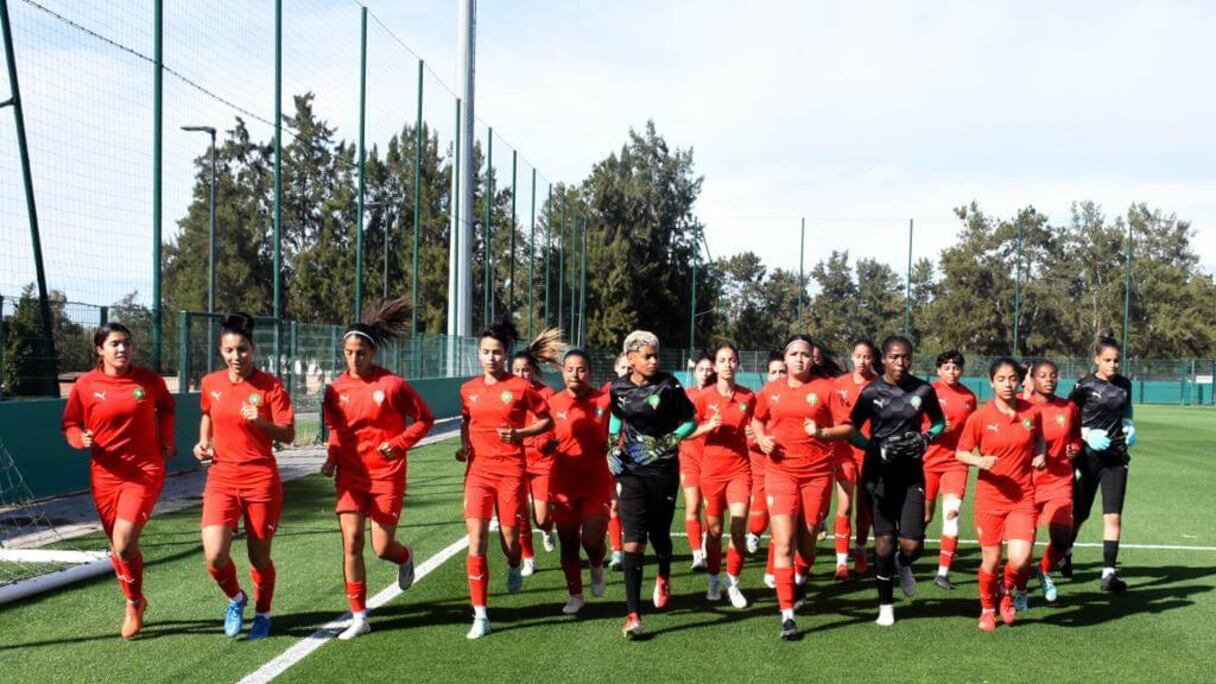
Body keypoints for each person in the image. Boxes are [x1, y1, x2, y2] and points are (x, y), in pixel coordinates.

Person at [320, 299, 435, 639]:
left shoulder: (393, 385)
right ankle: (359, 616)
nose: (354, 359)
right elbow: (337, 432)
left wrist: (398, 443)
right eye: (348, 352)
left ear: (372, 353)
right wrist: (330, 458)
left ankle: (405, 556)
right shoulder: (334, 389)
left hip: (386, 474)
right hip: (351, 476)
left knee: (381, 548)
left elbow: (425, 420)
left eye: (361, 352)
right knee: (351, 542)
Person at [61, 322, 175, 639]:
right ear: (100, 349)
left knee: (124, 543)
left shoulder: (149, 381)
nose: (122, 349)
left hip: (144, 471)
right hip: (105, 476)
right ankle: (135, 601)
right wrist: (77, 438)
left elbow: (167, 406)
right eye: (115, 344)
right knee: (117, 547)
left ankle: (132, 604)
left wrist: (166, 439)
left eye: (127, 343)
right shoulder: (85, 385)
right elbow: (69, 423)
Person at [826, 335, 945, 627]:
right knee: (884, 541)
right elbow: (851, 428)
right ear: (884, 359)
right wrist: (874, 448)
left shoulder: (924, 390)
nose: (901, 363)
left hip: (911, 475)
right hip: (877, 474)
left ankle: (903, 565)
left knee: (912, 545)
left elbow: (940, 422)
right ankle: (886, 605)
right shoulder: (870, 392)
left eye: (906, 357)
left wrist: (927, 437)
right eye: (894, 357)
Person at [195, 313, 295, 640]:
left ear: (253, 348)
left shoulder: (271, 386)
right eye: (229, 350)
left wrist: (260, 422)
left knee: (259, 555)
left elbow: (289, 433)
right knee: (214, 555)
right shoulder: (211, 383)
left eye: (242, 349)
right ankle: (236, 598)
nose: (236, 357)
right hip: (222, 477)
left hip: (260, 479)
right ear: (220, 351)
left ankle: (263, 613)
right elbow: (208, 415)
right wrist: (203, 443)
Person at [456, 322, 556, 639]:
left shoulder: (521, 387)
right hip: (478, 473)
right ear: (479, 353)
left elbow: (546, 420)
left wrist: (519, 434)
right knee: (477, 541)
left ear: (506, 354)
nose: (490, 358)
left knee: (511, 540)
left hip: (511, 470)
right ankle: (481, 616)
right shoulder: (468, 389)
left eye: (496, 352)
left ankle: (515, 564)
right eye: (485, 352)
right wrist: (465, 446)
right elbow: (465, 419)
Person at [751, 335, 841, 640]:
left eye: (805, 354)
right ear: (785, 358)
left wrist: (823, 431)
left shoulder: (826, 389)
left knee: (807, 542)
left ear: (812, 359)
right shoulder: (771, 390)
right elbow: (757, 419)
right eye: (794, 354)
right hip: (780, 473)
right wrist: (762, 439)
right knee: (784, 542)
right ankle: (787, 616)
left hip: (816, 475)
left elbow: (848, 426)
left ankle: (802, 575)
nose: (799, 359)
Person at [608, 330, 696, 639]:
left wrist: (667, 441)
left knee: (660, 535)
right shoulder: (617, 387)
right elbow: (617, 418)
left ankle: (664, 572)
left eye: (656, 355)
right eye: (647, 356)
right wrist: (611, 447)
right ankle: (633, 614)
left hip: (664, 472)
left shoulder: (669, 384)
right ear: (630, 359)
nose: (654, 360)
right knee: (633, 539)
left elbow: (691, 421)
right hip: (631, 473)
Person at [955, 357, 1046, 631]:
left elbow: (1039, 437)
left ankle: (1006, 594)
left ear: (1020, 382)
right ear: (991, 382)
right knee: (992, 560)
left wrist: (1040, 454)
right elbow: (960, 452)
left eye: (1013, 379)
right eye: (1001, 379)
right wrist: (978, 461)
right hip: (990, 498)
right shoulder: (980, 417)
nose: (1008, 384)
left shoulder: (1032, 412)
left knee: (1019, 560)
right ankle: (987, 609)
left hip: (1023, 497)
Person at [1063, 337, 1136, 593]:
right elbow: (1066, 418)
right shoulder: (1083, 386)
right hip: (1088, 457)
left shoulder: (1125, 384)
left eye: (1117, 360)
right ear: (1096, 359)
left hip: (1116, 458)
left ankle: (1108, 573)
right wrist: (1086, 434)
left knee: (1113, 515)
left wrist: (1129, 426)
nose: (1113, 364)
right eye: (1108, 360)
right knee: (1080, 513)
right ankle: (1066, 550)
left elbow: (1126, 412)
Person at [547, 349, 613, 615]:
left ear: (590, 372)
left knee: (592, 540)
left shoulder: (605, 401)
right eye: (570, 369)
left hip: (597, 482)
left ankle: (597, 564)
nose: (575, 374)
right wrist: (543, 445)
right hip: (563, 482)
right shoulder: (552, 403)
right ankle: (575, 594)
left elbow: (621, 430)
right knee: (568, 542)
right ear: (563, 372)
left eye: (581, 369)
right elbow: (541, 437)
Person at [689, 343, 754, 608]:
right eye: (723, 360)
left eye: (732, 359)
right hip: (712, 473)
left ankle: (733, 583)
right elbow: (686, 433)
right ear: (715, 366)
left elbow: (758, 427)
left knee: (738, 529)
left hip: (740, 471)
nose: (728, 364)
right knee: (714, 533)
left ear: (738, 364)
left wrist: (755, 435)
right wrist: (706, 427)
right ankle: (714, 580)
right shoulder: (703, 398)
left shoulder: (749, 397)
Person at [921, 350, 978, 590]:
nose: (951, 372)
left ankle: (943, 572)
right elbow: (915, 424)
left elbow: (974, 429)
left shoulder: (969, 397)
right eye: (946, 367)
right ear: (938, 370)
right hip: (927, 462)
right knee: (924, 516)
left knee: (952, 515)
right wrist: (936, 428)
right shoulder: (927, 392)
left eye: (956, 367)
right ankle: (909, 550)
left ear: (962, 370)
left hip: (956, 464)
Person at [510, 332, 564, 576]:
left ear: (533, 370)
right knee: (520, 514)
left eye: (526, 370)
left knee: (541, 517)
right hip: (515, 462)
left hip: (542, 462)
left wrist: (546, 441)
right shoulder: (506, 393)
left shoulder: (547, 394)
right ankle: (528, 559)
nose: (522, 374)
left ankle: (546, 529)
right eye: (517, 370)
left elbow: (555, 425)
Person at [1027, 358, 1081, 603]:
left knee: (1061, 538)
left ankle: (1044, 570)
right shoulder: (1022, 407)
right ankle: (1010, 589)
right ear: (1033, 379)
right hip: (1026, 483)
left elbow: (1076, 438)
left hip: (1059, 481)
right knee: (1022, 548)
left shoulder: (1068, 408)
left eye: (1053, 375)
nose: (1049, 379)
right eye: (1043, 375)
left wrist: (1074, 448)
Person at [827, 339, 878, 580]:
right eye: (858, 356)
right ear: (851, 356)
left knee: (865, 507)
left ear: (873, 359)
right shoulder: (838, 384)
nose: (862, 361)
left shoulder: (880, 385)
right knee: (845, 505)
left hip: (870, 452)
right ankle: (841, 563)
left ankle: (859, 548)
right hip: (844, 450)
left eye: (867, 357)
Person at [748, 351, 785, 588]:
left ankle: (772, 569)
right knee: (758, 520)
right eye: (774, 372)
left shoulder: (796, 397)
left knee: (779, 523)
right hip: (760, 467)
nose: (779, 375)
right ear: (767, 375)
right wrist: (755, 437)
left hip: (784, 469)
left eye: (783, 371)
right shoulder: (756, 399)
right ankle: (753, 533)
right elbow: (747, 432)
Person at [681, 351, 715, 572]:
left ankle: (706, 546)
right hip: (689, 459)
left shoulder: (719, 396)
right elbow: (680, 429)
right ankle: (697, 555)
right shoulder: (684, 396)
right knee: (692, 505)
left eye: (709, 370)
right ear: (694, 373)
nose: (705, 374)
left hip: (714, 461)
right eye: (701, 369)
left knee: (710, 510)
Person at [606, 353, 630, 571]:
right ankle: (615, 552)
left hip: (633, 458)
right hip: (609, 457)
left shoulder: (644, 393)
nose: (628, 371)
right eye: (624, 367)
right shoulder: (606, 393)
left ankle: (623, 552)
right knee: (611, 505)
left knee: (622, 507)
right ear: (616, 368)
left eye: (631, 367)